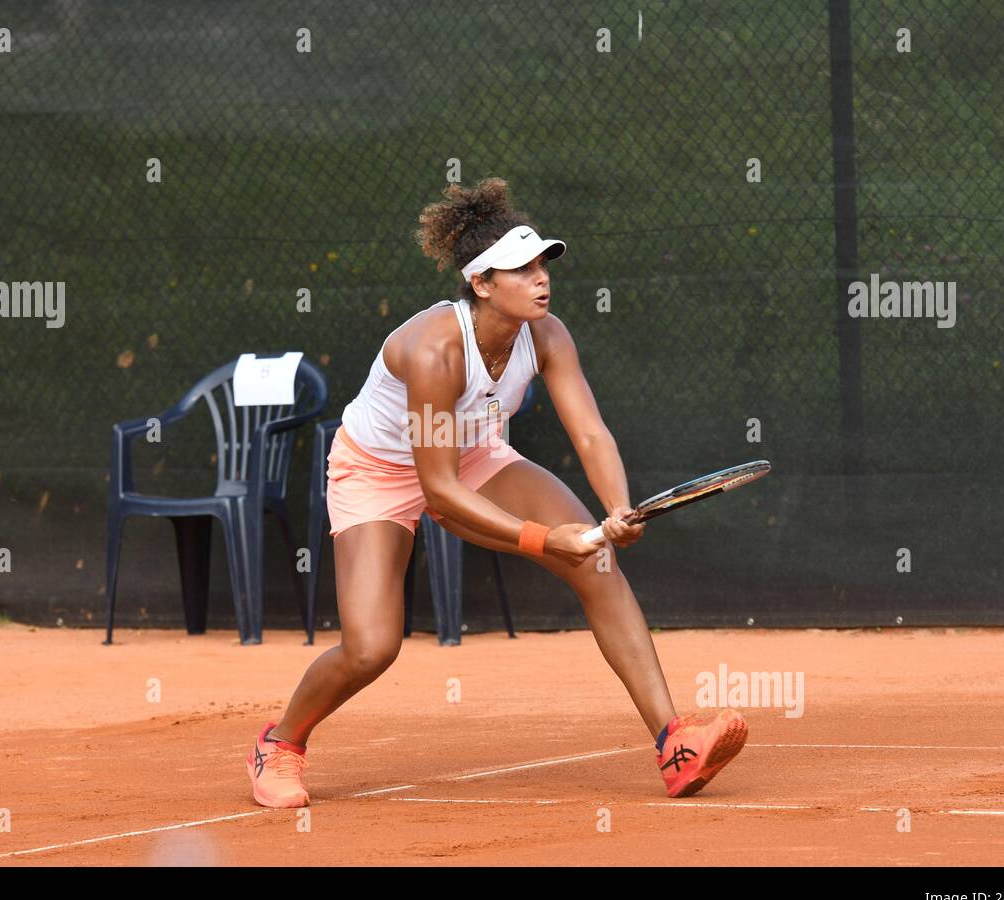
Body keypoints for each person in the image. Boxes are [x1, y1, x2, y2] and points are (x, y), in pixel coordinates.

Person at [246, 177, 746, 807]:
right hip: (380, 471)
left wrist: (617, 507)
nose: (541, 279)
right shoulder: (431, 350)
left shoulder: (548, 334)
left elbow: (590, 433)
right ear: (481, 283)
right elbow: (438, 493)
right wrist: (544, 539)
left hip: (474, 454)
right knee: (372, 648)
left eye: (542, 265)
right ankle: (281, 741)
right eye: (522, 269)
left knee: (597, 560)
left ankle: (675, 744)